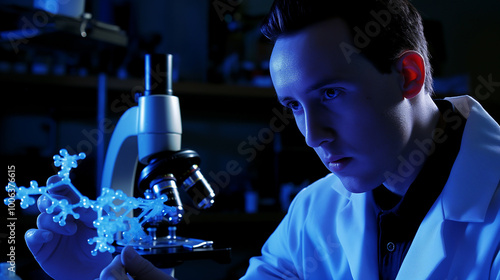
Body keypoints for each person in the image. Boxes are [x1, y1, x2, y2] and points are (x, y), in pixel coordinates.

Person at [25, 0, 500, 279]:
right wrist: (108, 267)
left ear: (408, 75)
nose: (313, 135)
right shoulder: (316, 211)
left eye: (331, 93)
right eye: (294, 106)